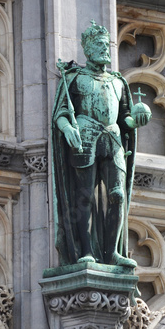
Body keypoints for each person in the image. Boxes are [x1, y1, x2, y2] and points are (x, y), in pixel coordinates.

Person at [52, 21, 150, 267]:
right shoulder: (74, 78)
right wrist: (67, 128)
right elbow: (62, 111)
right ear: (87, 49)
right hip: (84, 135)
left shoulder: (118, 82)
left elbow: (124, 119)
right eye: (98, 44)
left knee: (117, 195)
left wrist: (137, 120)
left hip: (113, 138)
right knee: (84, 196)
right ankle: (85, 251)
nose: (104, 49)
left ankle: (112, 252)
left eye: (106, 45)